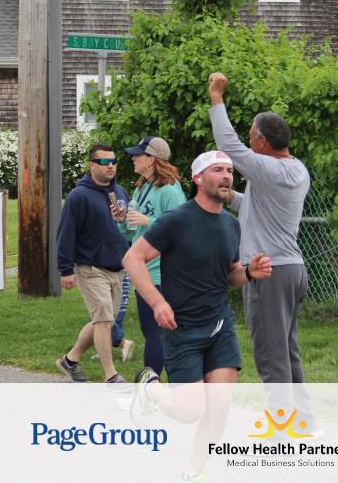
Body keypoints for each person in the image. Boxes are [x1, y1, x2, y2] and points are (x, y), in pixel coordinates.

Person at [122, 150, 272, 481]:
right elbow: (132, 259)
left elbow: (229, 274)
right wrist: (157, 303)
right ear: (198, 178)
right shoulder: (177, 220)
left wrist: (249, 273)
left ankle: (196, 469)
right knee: (190, 410)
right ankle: (149, 386)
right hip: (182, 328)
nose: (227, 176)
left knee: (220, 403)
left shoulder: (231, 224)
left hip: (220, 326)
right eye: (218, 170)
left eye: (229, 170)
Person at [207, 72, 311, 387]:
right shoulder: (295, 169)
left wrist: (216, 96)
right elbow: (261, 208)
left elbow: (228, 144)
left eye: (251, 136)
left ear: (263, 141)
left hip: (269, 271)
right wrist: (231, 197)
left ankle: (281, 419)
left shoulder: (268, 168)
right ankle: (300, 415)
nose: (249, 141)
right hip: (292, 269)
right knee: (287, 352)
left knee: (270, 357)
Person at [55, 144, 131, 383]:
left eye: (114, 161)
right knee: (105, 320)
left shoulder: (120, 192)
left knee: (103, 319)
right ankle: (111, 375)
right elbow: (65, 234)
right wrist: (65, 269)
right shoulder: (79, 196)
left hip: (118, 267)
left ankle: (70, 360)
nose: (111, 166)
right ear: (92, 165)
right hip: (91, 268)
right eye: (105, 162)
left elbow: (129, 227)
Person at [121, 135, 186, 376]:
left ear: (151, 159)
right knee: (152, 333)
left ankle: (152, 387)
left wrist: (147, 221)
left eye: (138, 155)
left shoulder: (170, 190)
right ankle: (157, 385)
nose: (133, 159)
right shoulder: (142, 187)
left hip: (162, 273)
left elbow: (181, 228)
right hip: (143, 271)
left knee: (157, 334)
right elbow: (133, 231)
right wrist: (122, 220)